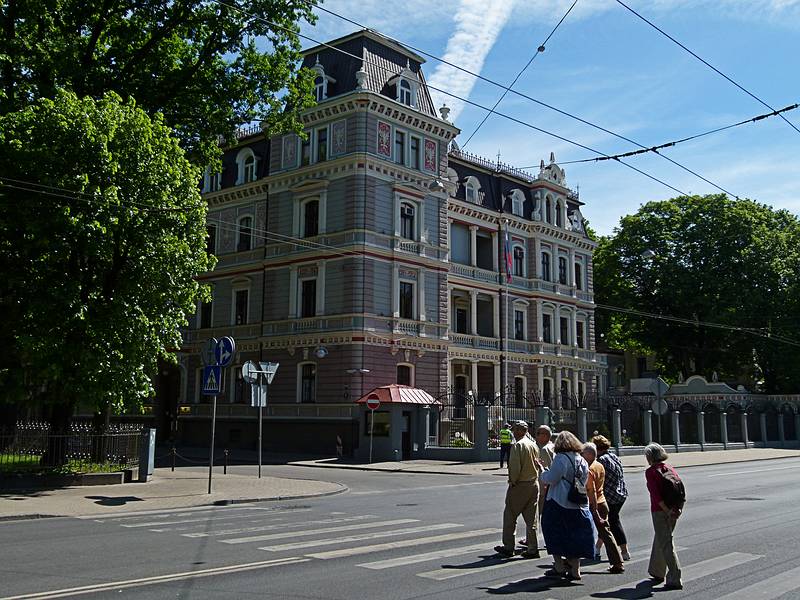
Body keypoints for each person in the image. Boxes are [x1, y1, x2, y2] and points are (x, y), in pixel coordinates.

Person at [538, 431, 595, 580]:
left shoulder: (561, 458)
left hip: (559, 502)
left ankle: (559, 566)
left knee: (553, 533)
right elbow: (585, 478)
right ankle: (575, 570)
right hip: (578, 503)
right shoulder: (581, 459)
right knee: (574, 537)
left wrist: (542, 472)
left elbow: (551, 479)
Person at [494, 421, 541, 559]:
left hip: (520, 484)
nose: (513, 432)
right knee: (531, 519)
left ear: (520, 431)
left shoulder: (517, 445)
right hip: (533, 483)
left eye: (515, 430)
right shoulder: (533, 444)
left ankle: (509, 547)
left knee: (510, 515)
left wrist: (512, 482)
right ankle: (533, 547)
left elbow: (514, 467)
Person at [644, 443, 683, 590]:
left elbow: (656, 495)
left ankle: (675, 577)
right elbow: (680, 490)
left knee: (666, 543)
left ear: (650, 457)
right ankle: (657, 571)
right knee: (661, 539)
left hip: (660, 511)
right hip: (674, 509)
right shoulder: (670, 468)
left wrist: (666, 511)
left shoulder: (651, 472)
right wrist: (676, 510)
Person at [582, 442, 624, 573]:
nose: (581, 455)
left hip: (593, 503)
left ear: (588, 455)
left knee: (579, 531)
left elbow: (591, 490)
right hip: (603, 502)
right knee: (606, 533)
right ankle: (618, 562)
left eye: (583, 453)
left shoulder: (588, 469)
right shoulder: (599, 465)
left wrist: (593, 509)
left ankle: (571, 561)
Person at [593, 434, 630, 561]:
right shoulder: (613, 456)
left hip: (609, 496)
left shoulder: (601, 460)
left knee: (611, 523)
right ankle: (596, 549)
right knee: (607, 522)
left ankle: (624, 551)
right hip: (620, 494)